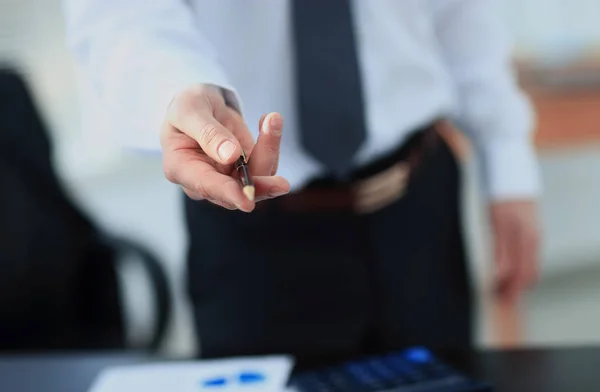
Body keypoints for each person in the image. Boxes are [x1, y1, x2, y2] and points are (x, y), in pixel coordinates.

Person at [64, 0, 541, 363]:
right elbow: (119, 15)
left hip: (417, 203)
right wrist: (178, 89)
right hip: (251, 224)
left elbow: (462, 14)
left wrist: (506, 152)